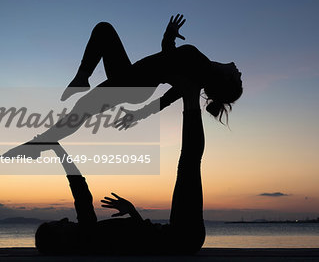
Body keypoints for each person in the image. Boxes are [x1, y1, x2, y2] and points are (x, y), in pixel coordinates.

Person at [2, 14, 242, 159]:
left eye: (238, 78)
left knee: (104, 31)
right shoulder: (200, 74)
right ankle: (42, 142)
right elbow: (168, 97)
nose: (239, 72)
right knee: (83, 108)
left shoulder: (202, 68)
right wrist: (138, 114)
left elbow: (168, 59)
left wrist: (168, 36)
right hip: (133, 81)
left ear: (227, 80)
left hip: (134, 82)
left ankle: (44, 138)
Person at [35, 87, 207, 255]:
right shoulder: (87, 238)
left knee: (188, 163)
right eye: (59, 224)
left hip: (180, 236)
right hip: (181, 238)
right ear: (61, 239)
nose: (64, 219)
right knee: (188, 163)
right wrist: (131, 210)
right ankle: (190, 95)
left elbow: (81, 191)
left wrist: (56, 148)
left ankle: (189, 96)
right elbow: (81, 193)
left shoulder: (87, 239)